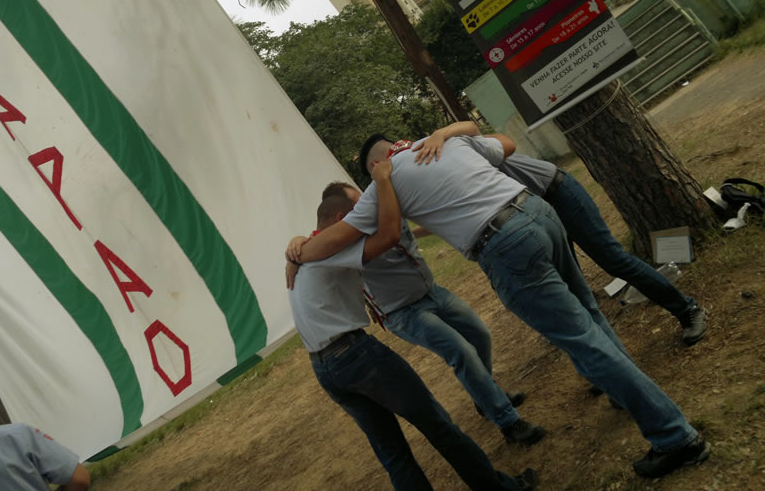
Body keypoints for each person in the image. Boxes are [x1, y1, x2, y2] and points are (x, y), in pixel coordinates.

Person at [287, 133, 709, 479]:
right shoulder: (443, 145)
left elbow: (340, 240)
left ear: (376, 165)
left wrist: (296, 251)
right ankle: (625, 397)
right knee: (588, 315)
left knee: (581, 340)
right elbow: (505, 143)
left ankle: (674, 436)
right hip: (537, 212)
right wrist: (450, 131)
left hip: (505, 244)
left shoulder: (386, 181)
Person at [287, 158, 537, 491]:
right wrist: (382, 179)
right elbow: (389, 234)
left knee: (392, 452)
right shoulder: (326, 249)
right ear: (339, 219)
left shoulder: (309, 250)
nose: (366, 210)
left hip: (325, 367)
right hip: (356, 354)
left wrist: (293, 245)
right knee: (437, 424)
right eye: (358, 207)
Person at [418, 129, 708, 346]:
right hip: (530, 218)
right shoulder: (438, 183)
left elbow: (500, 139)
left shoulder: (458, 149)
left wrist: (441, 134)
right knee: (568, 287)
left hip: (554, 193)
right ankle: (607, 360)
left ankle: (687, 310)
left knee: (612, 259)